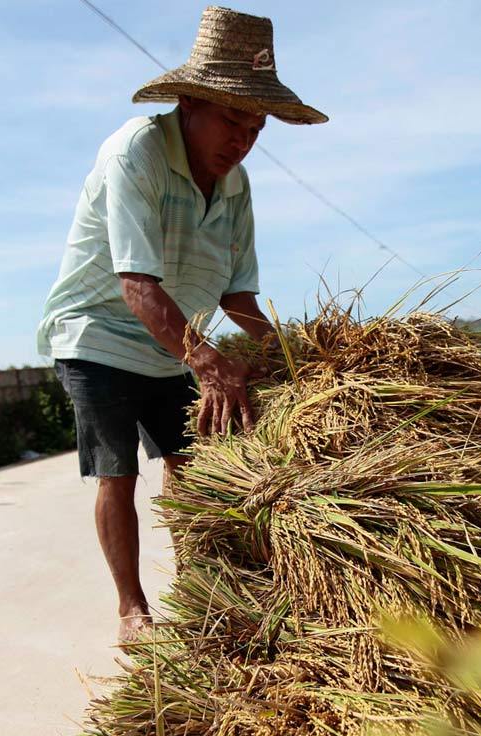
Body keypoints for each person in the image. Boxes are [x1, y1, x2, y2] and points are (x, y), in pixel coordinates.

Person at [36, 7, 327, 643]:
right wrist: (211, 362)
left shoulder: (237, 183)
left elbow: (238, 292)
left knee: (190, 461)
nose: (243, 139)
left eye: (256, 127)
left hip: (175, 345)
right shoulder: (136, 150)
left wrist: (297, 355)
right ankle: (132, 608)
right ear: (189, 103)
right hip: (99, 336)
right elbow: (136, 284)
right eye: (232, 120)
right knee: (119, 472)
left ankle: (201, 585)